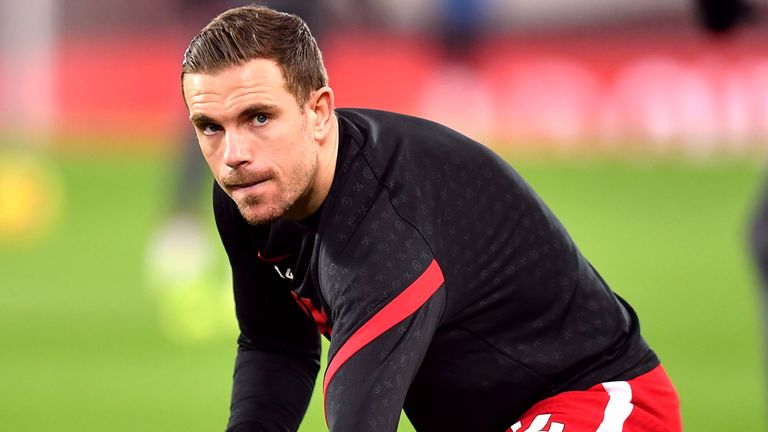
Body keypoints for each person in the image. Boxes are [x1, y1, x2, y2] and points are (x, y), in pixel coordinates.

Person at [180, 5, 682, 431]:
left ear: (319, 112)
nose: (233, 154)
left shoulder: (387, 235)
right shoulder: (251, 191)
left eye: (259, 117)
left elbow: (360, 420)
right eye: (210, 127)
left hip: (599, 402)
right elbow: (276, 346)